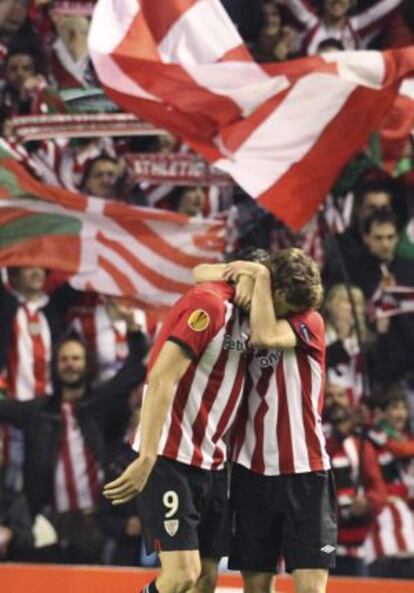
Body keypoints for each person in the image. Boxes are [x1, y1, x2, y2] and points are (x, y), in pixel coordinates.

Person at [102, 250, 265, 593]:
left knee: (205, 582)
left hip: (214, 465)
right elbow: (161, 379)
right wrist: (147, 456)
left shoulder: (258, 320)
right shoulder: (209, 305)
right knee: (181, 578)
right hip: (170, 457)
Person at [194, 248, 337, 593]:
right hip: (251, 473)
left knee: (310, 589)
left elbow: (265, 337)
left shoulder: (309, 322)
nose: (290, 309)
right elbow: (199, 272)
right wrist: (246, 273)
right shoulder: (243, 317)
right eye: (285, 300)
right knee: (256, 588)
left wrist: (255, 275)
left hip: (305, 471)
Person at [0, 302, 147, 564]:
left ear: (87, 363)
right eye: (64, 359)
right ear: (55, 366)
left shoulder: (101, 403)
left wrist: (133, 329)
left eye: (76, 358)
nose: (70, 364)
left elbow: (135, 369)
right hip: (50, 522)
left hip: (98, 522)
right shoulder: (37, 411)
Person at [281, 0, 402, 55]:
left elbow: (391, 4)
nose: (337, 1)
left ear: (351, 2)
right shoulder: (308, 23)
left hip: (343, 101)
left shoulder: (358, 28)